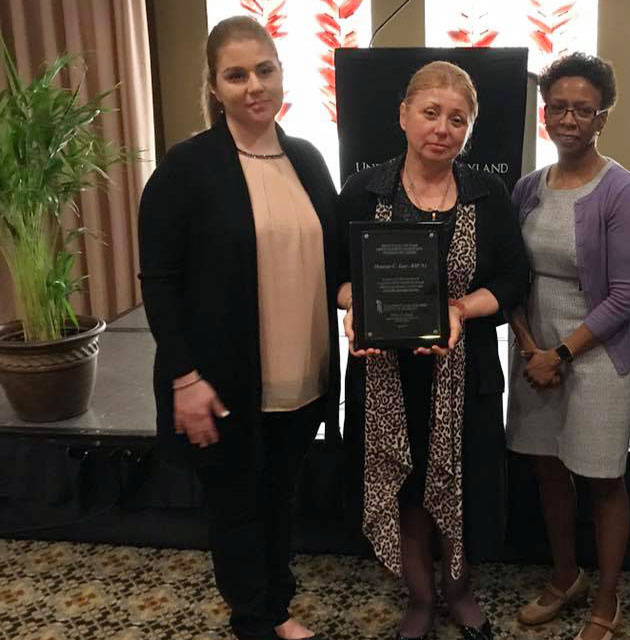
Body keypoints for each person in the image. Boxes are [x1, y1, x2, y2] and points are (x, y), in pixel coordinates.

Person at [138, 16, 340, 640]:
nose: (254, 86)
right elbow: (160, 282)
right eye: (236, 74)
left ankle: (276, 605)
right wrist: (185, 378)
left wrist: (361, 295)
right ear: (215, 85)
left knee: (277, 499)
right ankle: (254, 618)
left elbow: (335, 261)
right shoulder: (186, 168)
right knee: (234, 507)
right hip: (221, 381)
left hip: (301, 377)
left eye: (265, 70)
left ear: (282, 73)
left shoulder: (306, 158)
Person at [335, 61, 529, 640]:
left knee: (461, 484)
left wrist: (461, 309)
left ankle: (461, 592)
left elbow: (514, 280)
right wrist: (358, 306)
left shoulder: (487, 195)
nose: (442, 128)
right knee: (407, 487)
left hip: (462, 373)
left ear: (469, 129)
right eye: (430, 113)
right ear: (403, 115)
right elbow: (333, 278)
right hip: (384, 376)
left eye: (457, 119)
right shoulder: (363, 191)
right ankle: (420, 598)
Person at [506, 52, 630, 640]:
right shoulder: (526, 189)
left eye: (582, 110)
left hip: (597, 357)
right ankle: (566, 577)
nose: (568, 118)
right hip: (533, 354)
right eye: (558, 108)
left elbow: (624, 297)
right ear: (545, 114)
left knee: (602, 478)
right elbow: (512, 276)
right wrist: (528, 348)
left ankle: (608, 600)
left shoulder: (622, 192)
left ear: (602, 118)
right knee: (547, 471)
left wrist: (560, 354)